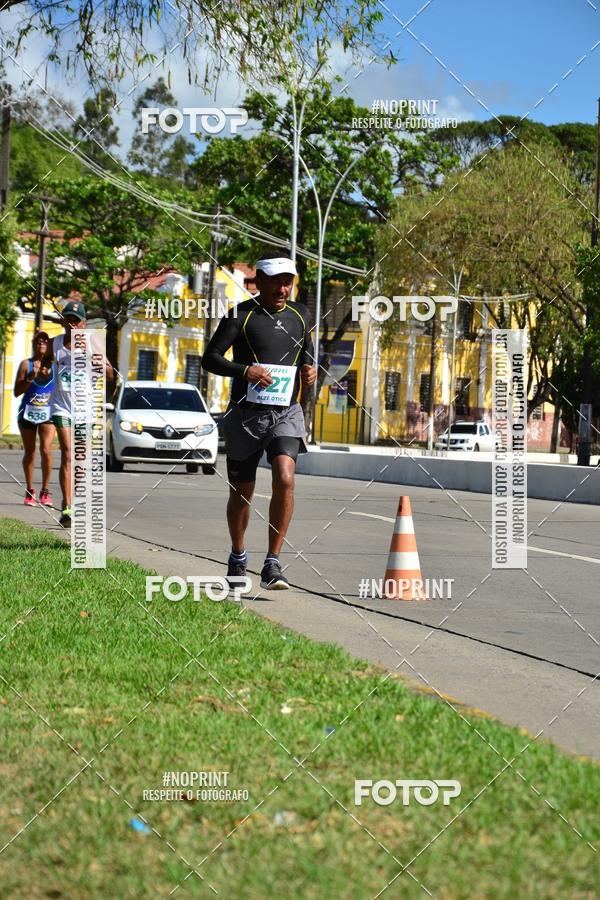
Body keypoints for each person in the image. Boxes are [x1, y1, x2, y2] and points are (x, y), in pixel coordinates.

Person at [202, 251, 317, 590]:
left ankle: (272, 562)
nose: (283, 288)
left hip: (286, 413)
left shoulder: (302, 314)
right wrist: (245, 370)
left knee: (285, 477)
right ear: (260, 282)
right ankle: (238, 555)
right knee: (242, 492)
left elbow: (306, 352)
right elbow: (209, 358)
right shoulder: (241, 315)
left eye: (288, 282)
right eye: (276, 282)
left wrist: (310, 371)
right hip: (245, 415)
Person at [43, 301, 113, 527]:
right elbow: (44, 368)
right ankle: (67, 506)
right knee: (68, 452)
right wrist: (42, 372)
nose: (71, 325)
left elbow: (111, 374)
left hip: (86, 409)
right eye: (68, 320)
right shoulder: (55, 344)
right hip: (61, 406)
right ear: (63, 322)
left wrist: (101, 365)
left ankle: (71, 499)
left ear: (83, 323)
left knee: (80, 461)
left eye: (75, 320)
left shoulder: (93, 342)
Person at [13, 331, 56, 507]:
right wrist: (30, 378)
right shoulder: (26, 365)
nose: (41, 343)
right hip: (27, 413)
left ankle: (45, 491)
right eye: (38, 341)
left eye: (45, 341)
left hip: (48, 413)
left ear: (49, 346)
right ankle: (30, 490)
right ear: (33, 344)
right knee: (30, 452)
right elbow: (16, 392)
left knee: (46, 450)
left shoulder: (56, 366)